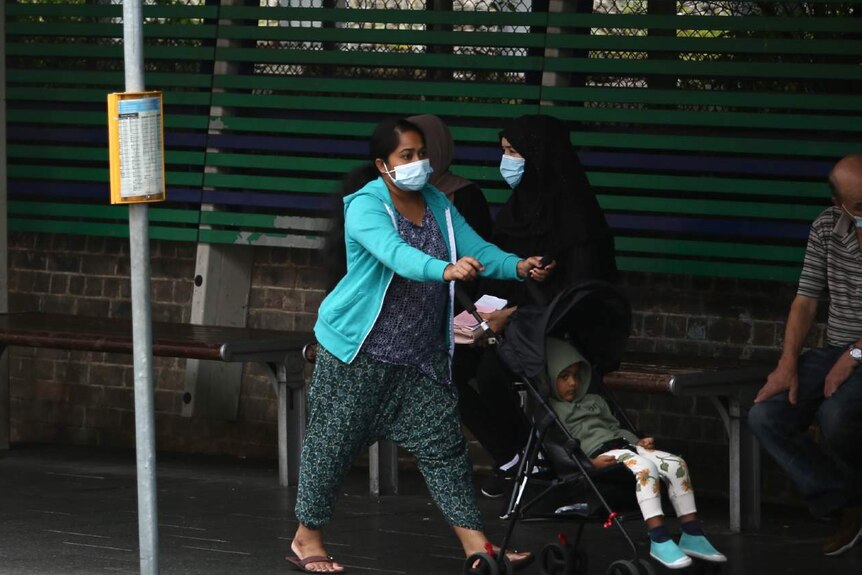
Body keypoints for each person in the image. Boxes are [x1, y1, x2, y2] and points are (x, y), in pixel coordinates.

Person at [287, 117, 542, 573]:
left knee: (445, 448)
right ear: (383, 165)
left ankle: (477, 546)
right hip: (359, 352)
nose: (417, 163)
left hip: (419, 356)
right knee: (332, 445)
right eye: (406, 155)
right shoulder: (365, 207)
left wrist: (518, 266)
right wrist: (443, 270)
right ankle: (307, 538)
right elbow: (396, 255)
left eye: (421, 153)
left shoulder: (438, 203)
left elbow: (478, 249)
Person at [475, 114, 620, 497]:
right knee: (458, 365)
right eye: (504, 152)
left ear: (540, 157)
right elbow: (497, 270)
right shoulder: (517, 208)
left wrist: (519, 314)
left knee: (489, 373)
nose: (507, 162)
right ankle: (515, 455)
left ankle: (533, 459)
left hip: (563, 331)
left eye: (514, 153)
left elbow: (586, 294)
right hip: (516, 325)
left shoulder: (577, 218)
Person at [748, 154, 862, 557]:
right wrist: (787, 362)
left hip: (857, 353)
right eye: (860, 206)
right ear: (840, 204)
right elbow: (806, 300)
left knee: (838, 415)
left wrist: (856, 352)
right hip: (835, 349)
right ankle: (844, 503)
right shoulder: (827, 227)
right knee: (766, 414)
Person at [545, 337, 727, 570]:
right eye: (564, 377)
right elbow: (558, 448)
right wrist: (588, 464)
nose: (573, 383)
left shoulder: (594, 401)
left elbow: (615, 427)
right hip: (603, 454)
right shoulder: (553, 410)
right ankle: (659, 538)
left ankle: (692, 533)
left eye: (576, 375)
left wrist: (637, 441)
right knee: (645, 470)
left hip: (626, 446)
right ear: (550, 379)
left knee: (675, 464)